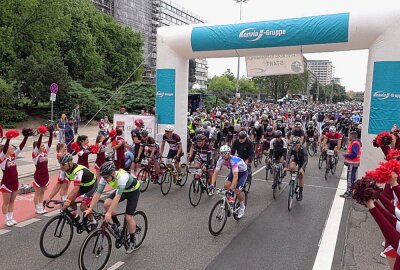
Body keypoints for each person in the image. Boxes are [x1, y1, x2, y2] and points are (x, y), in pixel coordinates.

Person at [84, 161, 140, 253]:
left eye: (106, 177)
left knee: (128, 217)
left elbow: (117, 197)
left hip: (133, 191)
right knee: (106, 203)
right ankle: (117, 224)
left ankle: (132, 242)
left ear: (113, 173)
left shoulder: (122, 177)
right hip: (122, 191)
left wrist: (109, 213)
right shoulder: (105, 178)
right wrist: (90, 209)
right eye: (103, 177)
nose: (105, 179)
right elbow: (98, 193)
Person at [45, 153, 97, 224]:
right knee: (71, 200)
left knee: (83, 207)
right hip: (82, 185)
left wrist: (68, 200)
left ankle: (93, 221)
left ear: (70, 163)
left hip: (91, 185)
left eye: (63, 164)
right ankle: (75, 214)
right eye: (60, 164)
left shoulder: (78, 171)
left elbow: (76, 188)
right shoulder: (64, 171)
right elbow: (58, 184)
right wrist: (49, 198)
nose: (61, 166)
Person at [0, 130, 29, 227]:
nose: (13, 150)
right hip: (6, 183)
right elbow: (4, 150)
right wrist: (8, 139)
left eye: (13, 149)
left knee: (12, 201)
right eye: (11, 148)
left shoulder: (13, 156)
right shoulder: (2, 158)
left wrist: (26, 137)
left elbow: (21, 147)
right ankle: (6, 219)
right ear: (6, 149)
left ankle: (11, 217)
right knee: (6, 202)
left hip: (15, 182)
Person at [210, 145, 247, 218]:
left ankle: (242, 206)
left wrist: (231, 189)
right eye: (222, 153)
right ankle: (231, 200)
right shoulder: (220, 160)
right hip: (233, 172)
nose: (223, 155)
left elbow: (236, 177)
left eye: (225, 153)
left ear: (229, 153)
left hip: (242, 172)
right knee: (226, 185)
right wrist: (212, 184)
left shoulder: (233, 161)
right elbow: (215, 173)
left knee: (237, 191)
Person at [32, 126, 53, 214]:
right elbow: (38, 143)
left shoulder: (45, 153)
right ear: (37, 147)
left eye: (43, 145)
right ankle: (37, 208)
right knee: (38, 192)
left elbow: (50, 143)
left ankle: (41, 206)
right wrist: (41, 134)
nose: (44, 147)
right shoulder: (35, 155)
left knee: (43, 192)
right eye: (41, 146)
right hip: (38, 175)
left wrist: (51, 133)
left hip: (45, 175)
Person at [341, 131, 362, 198]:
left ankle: (349, 192)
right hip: (352, 163)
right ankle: (351, 191)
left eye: (349, 136)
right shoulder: (355, 142)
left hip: (352, 164)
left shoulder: (355, 143)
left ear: (352, 136)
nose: (349, 137)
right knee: (352, 178)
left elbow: (354, 154)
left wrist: (346, 155)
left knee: (350, 178)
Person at [287, 136, 308, 201]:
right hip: (295, 159)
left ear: (300, 143)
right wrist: (285, 167)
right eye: (294, 145)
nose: (296, 146)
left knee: (301, 176)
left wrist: (302, 168)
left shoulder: (303, 149)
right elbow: (288, 157)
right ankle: (293, 178)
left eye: (297, 145)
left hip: (302, 162)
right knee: (291, 167)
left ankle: (300, 192)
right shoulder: (292, 148)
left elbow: (306, 160)